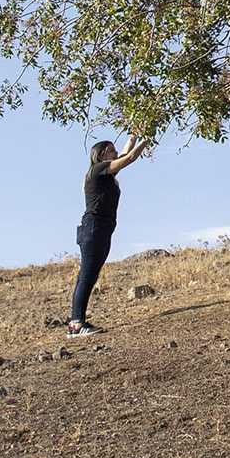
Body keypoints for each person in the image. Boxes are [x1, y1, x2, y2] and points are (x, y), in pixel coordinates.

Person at [68, 134, 145, 336]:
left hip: (101, 228)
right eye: (112, 150)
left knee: (90, 275)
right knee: (86, 275)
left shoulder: (107, 174)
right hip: (93, 227)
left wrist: (134, 135)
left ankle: (78, 321)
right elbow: (128, 159)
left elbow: (126, 154)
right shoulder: (98, 170)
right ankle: (76, 323)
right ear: (101, 155)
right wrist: (147, 139)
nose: (116, 152)